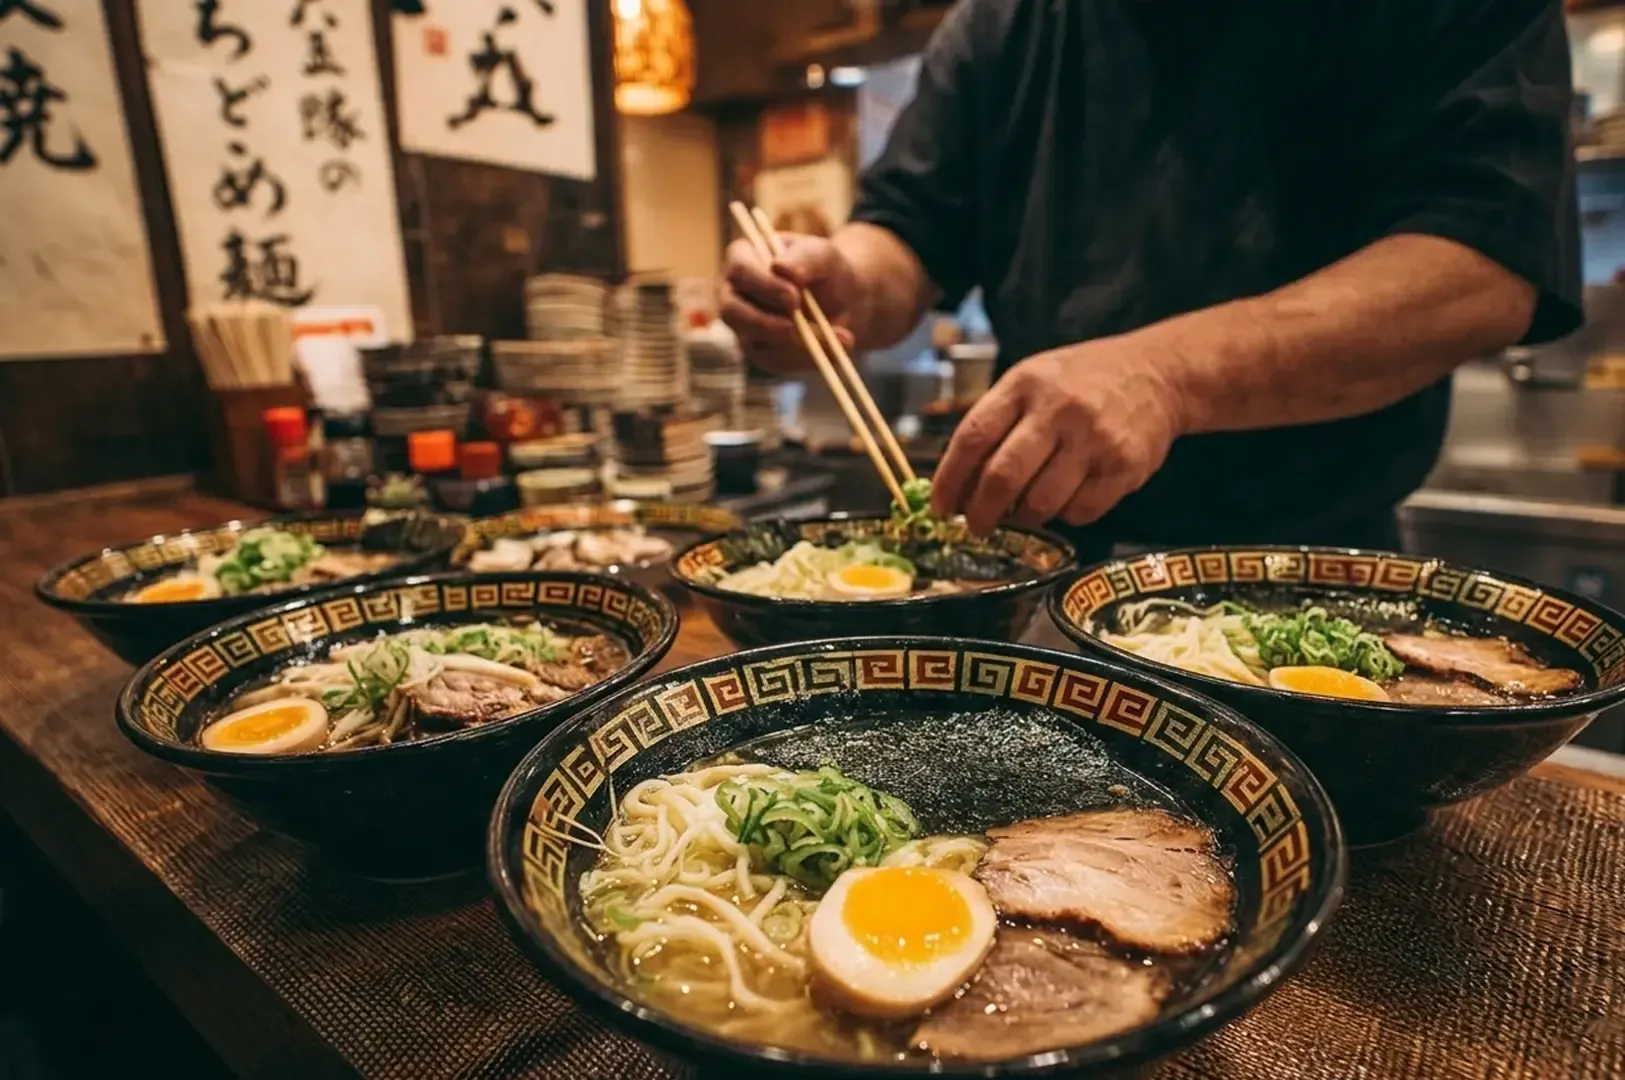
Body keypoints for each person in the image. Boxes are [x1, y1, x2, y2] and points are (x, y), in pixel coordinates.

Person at [720, 0, 1579, 561]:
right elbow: (906, 233)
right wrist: (840, 284)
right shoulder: (1001, 24)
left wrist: (1163, 376)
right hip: (1041, 566)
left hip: (1306, 565)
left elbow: (1483, 261)